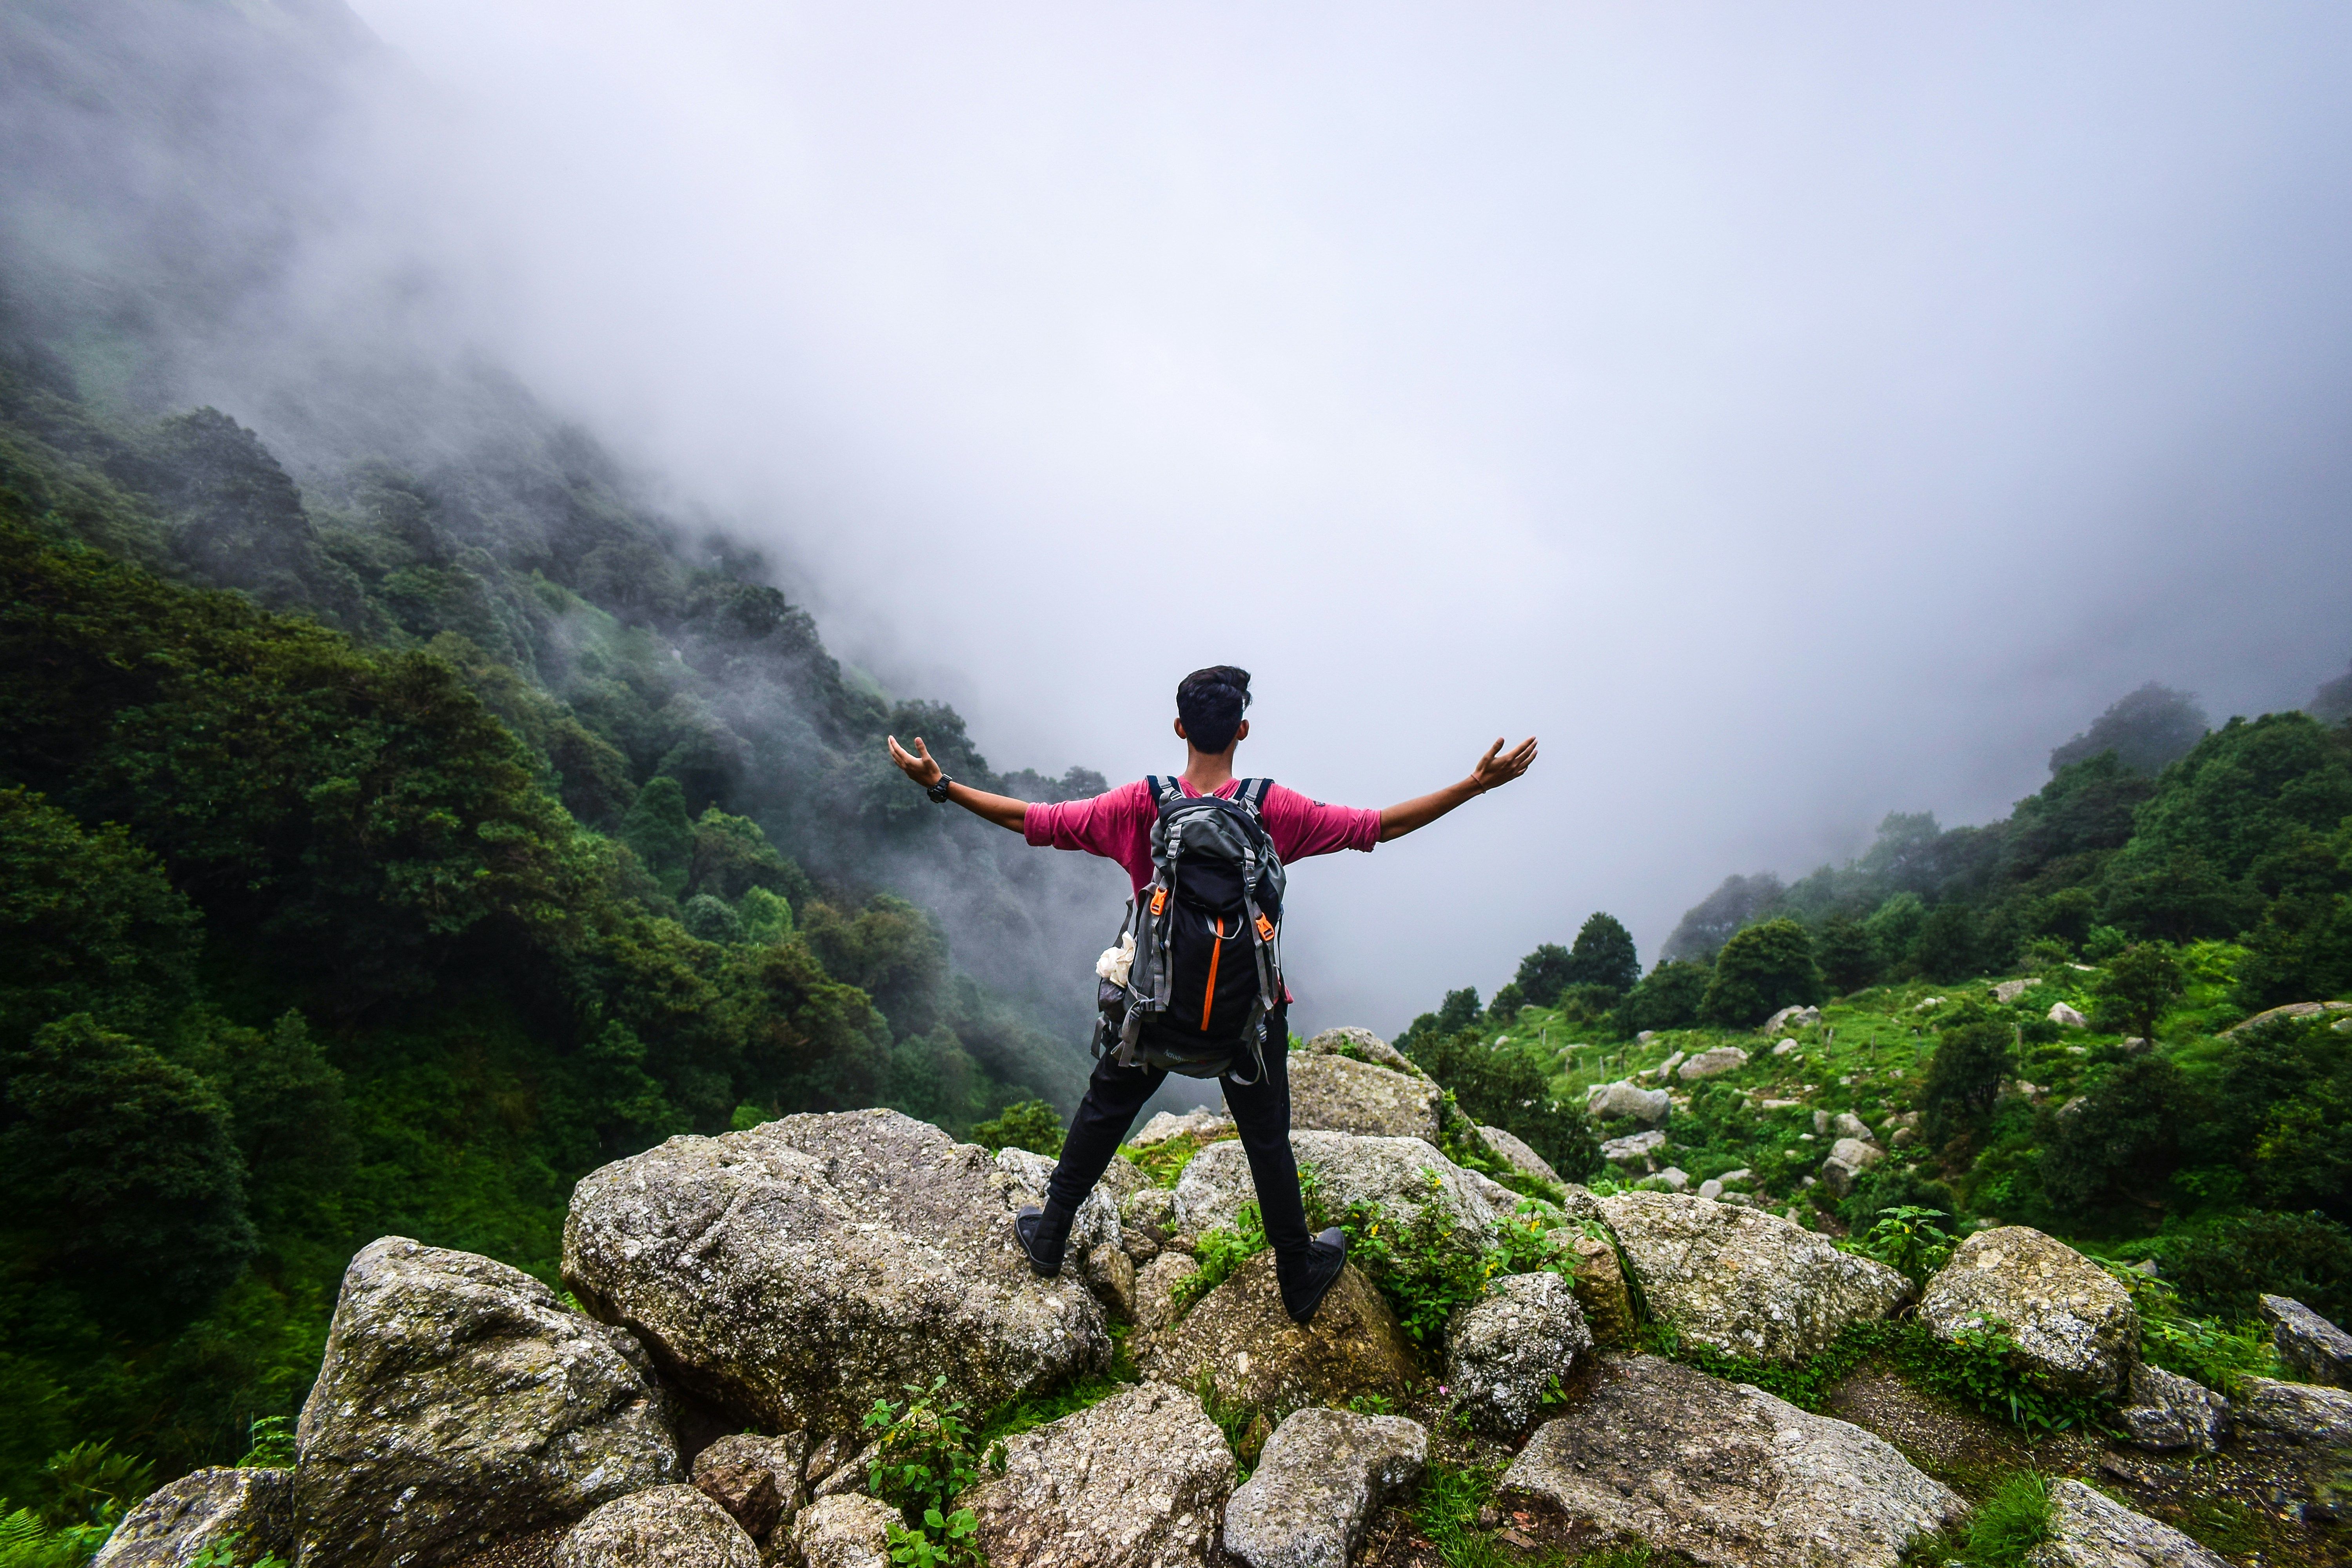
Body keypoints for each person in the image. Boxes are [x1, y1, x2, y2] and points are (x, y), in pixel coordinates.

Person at [885, 665, 1535, 1323]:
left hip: (1155, 1012)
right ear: (1243, 732)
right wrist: (1476, 785)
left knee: (1106, 1106)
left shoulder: (1143, 804)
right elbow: (1379, 827)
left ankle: (1050, 1233)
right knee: (1266, 1140)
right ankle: (1297, 1271)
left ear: (1179, 729)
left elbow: (1036, 821)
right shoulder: (1271, 808)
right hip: (1246, 1023)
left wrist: (941, 785)